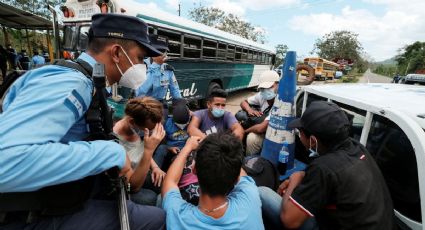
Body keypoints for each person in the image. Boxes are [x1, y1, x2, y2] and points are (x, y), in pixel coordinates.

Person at [0, 14, 165, 229]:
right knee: (157, 218)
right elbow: (7, 160)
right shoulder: (72, 83)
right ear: (116, 52)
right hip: (33, 213)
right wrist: (109, 153)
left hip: (68, 194)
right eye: (141, 57)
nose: (143, 65)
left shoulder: (91, 82)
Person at [259, 101, 396, 230]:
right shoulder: (358, 148)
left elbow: (289, 220)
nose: (299, 136)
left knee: (262, 192)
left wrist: (295, 179)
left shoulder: (324, 168)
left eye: (300, 132)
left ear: (313, 140)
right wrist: (303, 175)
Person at [162, 132, 265, 229]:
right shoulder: (250, 198)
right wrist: (219, 149)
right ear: (235, 179)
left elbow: (170, 181)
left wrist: (187, 148)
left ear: (194, 170)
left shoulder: (178, 215)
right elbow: (237, 170)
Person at [112, 97, 166, 206]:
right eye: (148, 129)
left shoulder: (134, 127)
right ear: (132, 121)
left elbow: (139, 150)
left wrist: (155, 167)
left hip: (141, 168)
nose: (151, 132)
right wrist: (149, 149)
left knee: (164, 182)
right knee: (150, 198)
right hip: (128, 183)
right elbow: (133, 187)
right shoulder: (115, 142)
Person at [238, 70, 279, 155]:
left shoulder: (281, 102)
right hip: (263, 127)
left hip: (274, 134)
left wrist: (244, 131)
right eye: (263, 88)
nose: (266, 90)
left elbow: (261, 128)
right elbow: (243, 102)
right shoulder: (262, 95)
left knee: (252, 138)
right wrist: (250, 110)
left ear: (278, 84)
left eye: (270, 87)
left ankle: (249, 161)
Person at [135, 34, 182, 102]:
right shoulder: (141, 66)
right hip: (144, 103)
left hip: (160, 103)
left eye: (163, 51)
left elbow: (175, 90)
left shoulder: (168, 69)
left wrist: (182, 104)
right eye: (157, 50)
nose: (160, 53)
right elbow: (139, 93)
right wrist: (155, 65)